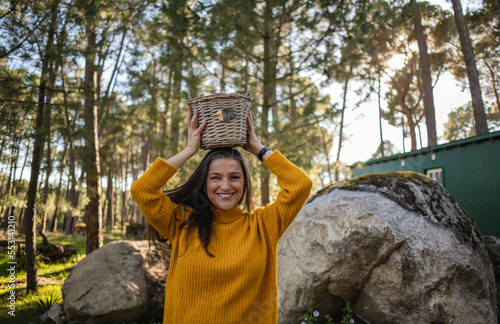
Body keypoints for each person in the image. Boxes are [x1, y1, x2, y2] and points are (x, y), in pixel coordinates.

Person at [130, 106, 313, 324]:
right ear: (204, 182)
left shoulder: (263, 225)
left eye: (234, 177)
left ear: (244, 183)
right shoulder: (182, 221)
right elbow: (143, 190)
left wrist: (257, 148)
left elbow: (300, 185)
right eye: (215, 177)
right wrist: (190, 149)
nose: (225, 186)